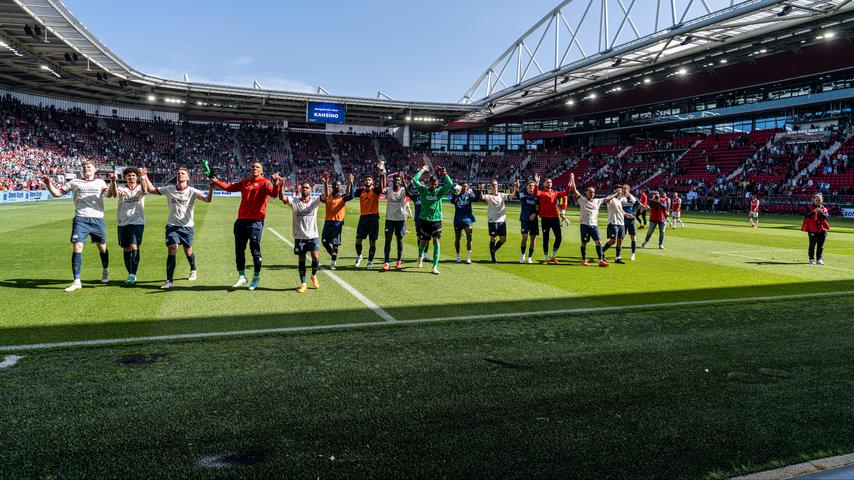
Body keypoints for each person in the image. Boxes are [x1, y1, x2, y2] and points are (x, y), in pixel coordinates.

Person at [210, 162, 282, 290]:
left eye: (258, 167)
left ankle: (256, 277)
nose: (255, 168)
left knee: (255, 251)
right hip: (241, 221)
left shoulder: (266, 182)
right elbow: (228, 188)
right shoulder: (245, 182)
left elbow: (274, 194)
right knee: (239, 250)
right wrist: (215, 180)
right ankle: (242, 276)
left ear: (262, 170)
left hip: (256, 222)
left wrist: (276, 183)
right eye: (253, 167)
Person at [41, 160, 111, 292]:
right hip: (81, 218)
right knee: (77, 246)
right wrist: (48, 184)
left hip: (97, 219)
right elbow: (57, 194)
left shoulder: (100, 182)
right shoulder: (74, 182)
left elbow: (109, 194)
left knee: (102, 247)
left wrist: (112, 183)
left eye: (89, 166)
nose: (86, 168)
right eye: (84, 167)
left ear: (94, 169)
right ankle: (77, 281)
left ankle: (105, 270)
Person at [144, 167, 214, 290]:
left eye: (183, 173)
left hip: (187, 227)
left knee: (188, 251)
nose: (180, 175)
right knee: (172, 249)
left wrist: (211, 188)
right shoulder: (169, 189)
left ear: (187, 177)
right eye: (178, 173)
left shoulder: (193, 191)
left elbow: (207, 200)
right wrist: (144, 176)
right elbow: (151, 190)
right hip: (172, 226)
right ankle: (169, 281)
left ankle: (193, 269)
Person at [280, 181, 325, 293]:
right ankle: (303, 284)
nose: (305, 189)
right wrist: (281, 185)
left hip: (313, 235)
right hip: (299, 236)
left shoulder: (315, 202)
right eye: (303, 187)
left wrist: (326, 183)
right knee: (302, 260)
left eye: (307, 187)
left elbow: (326, 196)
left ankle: (313, 276)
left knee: (315, 257)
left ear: (310, 190)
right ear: (300, 190)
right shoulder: (294, 202)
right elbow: (282, 197)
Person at [412, 165, 454, 274]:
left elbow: (450, 184)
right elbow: (415, 179)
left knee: (436, 241)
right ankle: (420, 256)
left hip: (436, 221)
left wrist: (445, 174)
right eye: (432, 183)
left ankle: (434, 266)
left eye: (436, 184)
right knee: (423, 243)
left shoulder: (439, 191)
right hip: (425, 220)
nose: (434, 185)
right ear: (429, 183)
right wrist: (422, 170)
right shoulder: (423, 190)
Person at [108, 167, 147, 286]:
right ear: (125, 177)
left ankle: (132, 275)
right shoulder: (121, 188)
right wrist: (113, 181)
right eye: (129, 175)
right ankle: (131, 273)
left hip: (137, 221)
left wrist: (143, 176)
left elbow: (145, 190)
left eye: (133, 175)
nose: (131, 177)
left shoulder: (140, 187)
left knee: (134, 246)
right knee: (126, 249)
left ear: (137, 177)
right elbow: (114, 194)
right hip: (123, 222)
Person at [569, 173, 614, 267]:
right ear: (586, 193)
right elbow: (574, 189)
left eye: (593, 192)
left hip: (594, 226)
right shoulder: (582, 199)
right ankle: (584, 259)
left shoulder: (597, 201)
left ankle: (601, 260)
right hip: (584, 225)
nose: (592, 193)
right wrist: (572, 179)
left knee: (598, 242)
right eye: (590, 192)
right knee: (584, 243)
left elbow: (607, 199)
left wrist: (615, 194)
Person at [533, 173, 572, 264]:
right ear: (544, 184)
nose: (549, 183)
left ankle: (553, 256)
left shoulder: (555, 193)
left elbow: (566, 193)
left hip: (554, 218)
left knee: (559, 237)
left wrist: (570, 182)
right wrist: (536, 183)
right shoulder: (541, 193)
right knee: (545, 239)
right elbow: (535, 192)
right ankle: (546, 257)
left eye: (550, 182)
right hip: (545, 219)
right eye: (547, 182)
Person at [321, 172, 355, 270]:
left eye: (340, 185)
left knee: (335, 244)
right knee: (324, 242)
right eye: (337, 185)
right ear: (332, 186)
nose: (339, 186)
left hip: (337, 222)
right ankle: (334, 255)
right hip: (328, 222)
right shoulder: (327, 196)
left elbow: (352, 195)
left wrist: (351, 182)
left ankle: (333, 262)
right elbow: (324, 197)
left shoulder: (343, 197)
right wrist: (325, 183)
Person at [353, 166, 385, 269]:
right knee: (358, 241)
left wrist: (381, 173)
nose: (367, 181)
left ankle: (370, 262)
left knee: (372, 242)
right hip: (363, 218)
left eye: (369, 179)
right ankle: (359, 256)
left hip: (373, 218)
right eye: (366, 180)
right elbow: (350, 194)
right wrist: (351, 182)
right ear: (364, 182)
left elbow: (381, 187)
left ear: (372, 181)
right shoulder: (360, 191)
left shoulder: (376, 190)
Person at [479, 179, 517, 263]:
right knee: (493, 238)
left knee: (503, 239)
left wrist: (515, 189)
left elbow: (511, 196)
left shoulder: (502, 195)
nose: (494, 186)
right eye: (493, 184)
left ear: (497, 186)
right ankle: (493, 257)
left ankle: (493, 250)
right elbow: (481, 197)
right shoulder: (489, 196)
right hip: (492, 220)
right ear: (490, 186)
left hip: (502, 220)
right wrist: (480, 190)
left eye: (495, 184)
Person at [382, 172, 411, 270]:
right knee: (388, 240)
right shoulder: (389, 189)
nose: (397, 181)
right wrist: (382, 175)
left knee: (399, 241)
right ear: (392, 181)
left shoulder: (403, 190)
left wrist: (405, 182)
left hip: (401, 220)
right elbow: (382, 190)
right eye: (395, 180)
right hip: (390, 219)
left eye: (399, 180)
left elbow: (408, 194)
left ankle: (399, 261)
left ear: (401, 181)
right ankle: (386, 263)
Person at [406, 174, 430, 262]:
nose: (422, 187)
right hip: (418, 220)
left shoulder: (428, 195)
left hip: (427, 219)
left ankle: (425, 255)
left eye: (423, 185)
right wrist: (410, 184)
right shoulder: (416, 197)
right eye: (420, 185)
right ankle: (421, 254)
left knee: (427, 237)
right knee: (419, 237)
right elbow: (407, 192)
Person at [451, 182, 476, 264]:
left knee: (470, 237)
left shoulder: (469, 195)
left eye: (466, 186)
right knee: (457, 238)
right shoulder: (457, 195)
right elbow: (452, 201)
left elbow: (474, 199)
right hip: (458, 220)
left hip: (467, 220)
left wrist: (472, 193)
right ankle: (458, 256)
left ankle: (468, 257)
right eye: (463, 186)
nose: (465, 187)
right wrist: (455, 194)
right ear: (460, 187)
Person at [802, 193, 830, 265]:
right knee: (812, 244)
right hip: (812, 228)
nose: (818, 201)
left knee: (821, 245)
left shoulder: (824, 208)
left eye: (819, 199)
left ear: (822, 200)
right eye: (816, 199)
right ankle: (811, 259)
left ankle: (819, 259)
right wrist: (814, 211)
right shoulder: (808, 207)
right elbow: (806, 216)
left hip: (822, 229)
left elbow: (826, 217)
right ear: (813, 199)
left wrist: (821, 213)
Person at [601, 186, 626, 264]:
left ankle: (618, 258)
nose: (620, 192)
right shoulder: (611, 198)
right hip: (613, 222)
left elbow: (621, 211)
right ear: (614, 190)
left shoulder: (619, 201)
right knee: (613, 240)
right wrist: (615, 194)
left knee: (620, 240)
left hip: (621, 222)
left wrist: (627, 215)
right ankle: (601, 252)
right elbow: (606, 200)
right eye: (618, 190)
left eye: (621, 191)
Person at [517, 180, 539, 264]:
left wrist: (535, 213)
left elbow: (540, 207)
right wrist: (517, 188)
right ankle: (522, 255)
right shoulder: (524, 194)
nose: (531, 187)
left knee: (533, 239)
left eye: (533, 186)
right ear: (527, 187)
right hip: (524, 219)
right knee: (525, 237)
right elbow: (518, 195)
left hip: (534, 221)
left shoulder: (537, 196)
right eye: (529, 185)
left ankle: (530, 257)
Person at [620, 184, 642, 261]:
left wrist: (643, 207)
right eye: (623, 188)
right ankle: (618, 254)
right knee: (621, 238)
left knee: (633, 237)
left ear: (628, 189)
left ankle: (633, 254)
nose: (624, 189)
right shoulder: (620, 198)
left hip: (631, 220)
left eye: (625, 188)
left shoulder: (633, 198)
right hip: (622, 219)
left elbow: (639, 206)